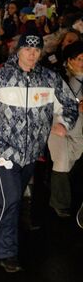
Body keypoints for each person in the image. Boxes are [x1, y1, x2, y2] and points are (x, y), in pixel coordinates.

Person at [0, 33, 78, 272]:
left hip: (33, 152)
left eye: (36, 50)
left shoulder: (50, 79)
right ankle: (6, 252)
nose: (32, 54)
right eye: (27, 49)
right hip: (5, 149)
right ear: (18, 51)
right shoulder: (1, 76)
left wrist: (64, 123)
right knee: (12, 198)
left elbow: (69, 104)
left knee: (11, 199)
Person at [47, 41, 83, 218]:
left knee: (72, 160)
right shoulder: (61, 77)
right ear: (70, 61)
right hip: (59, 125)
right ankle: (59, 202)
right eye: (79, 59)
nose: (82, 62)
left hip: (78, 128)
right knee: (61, 163)